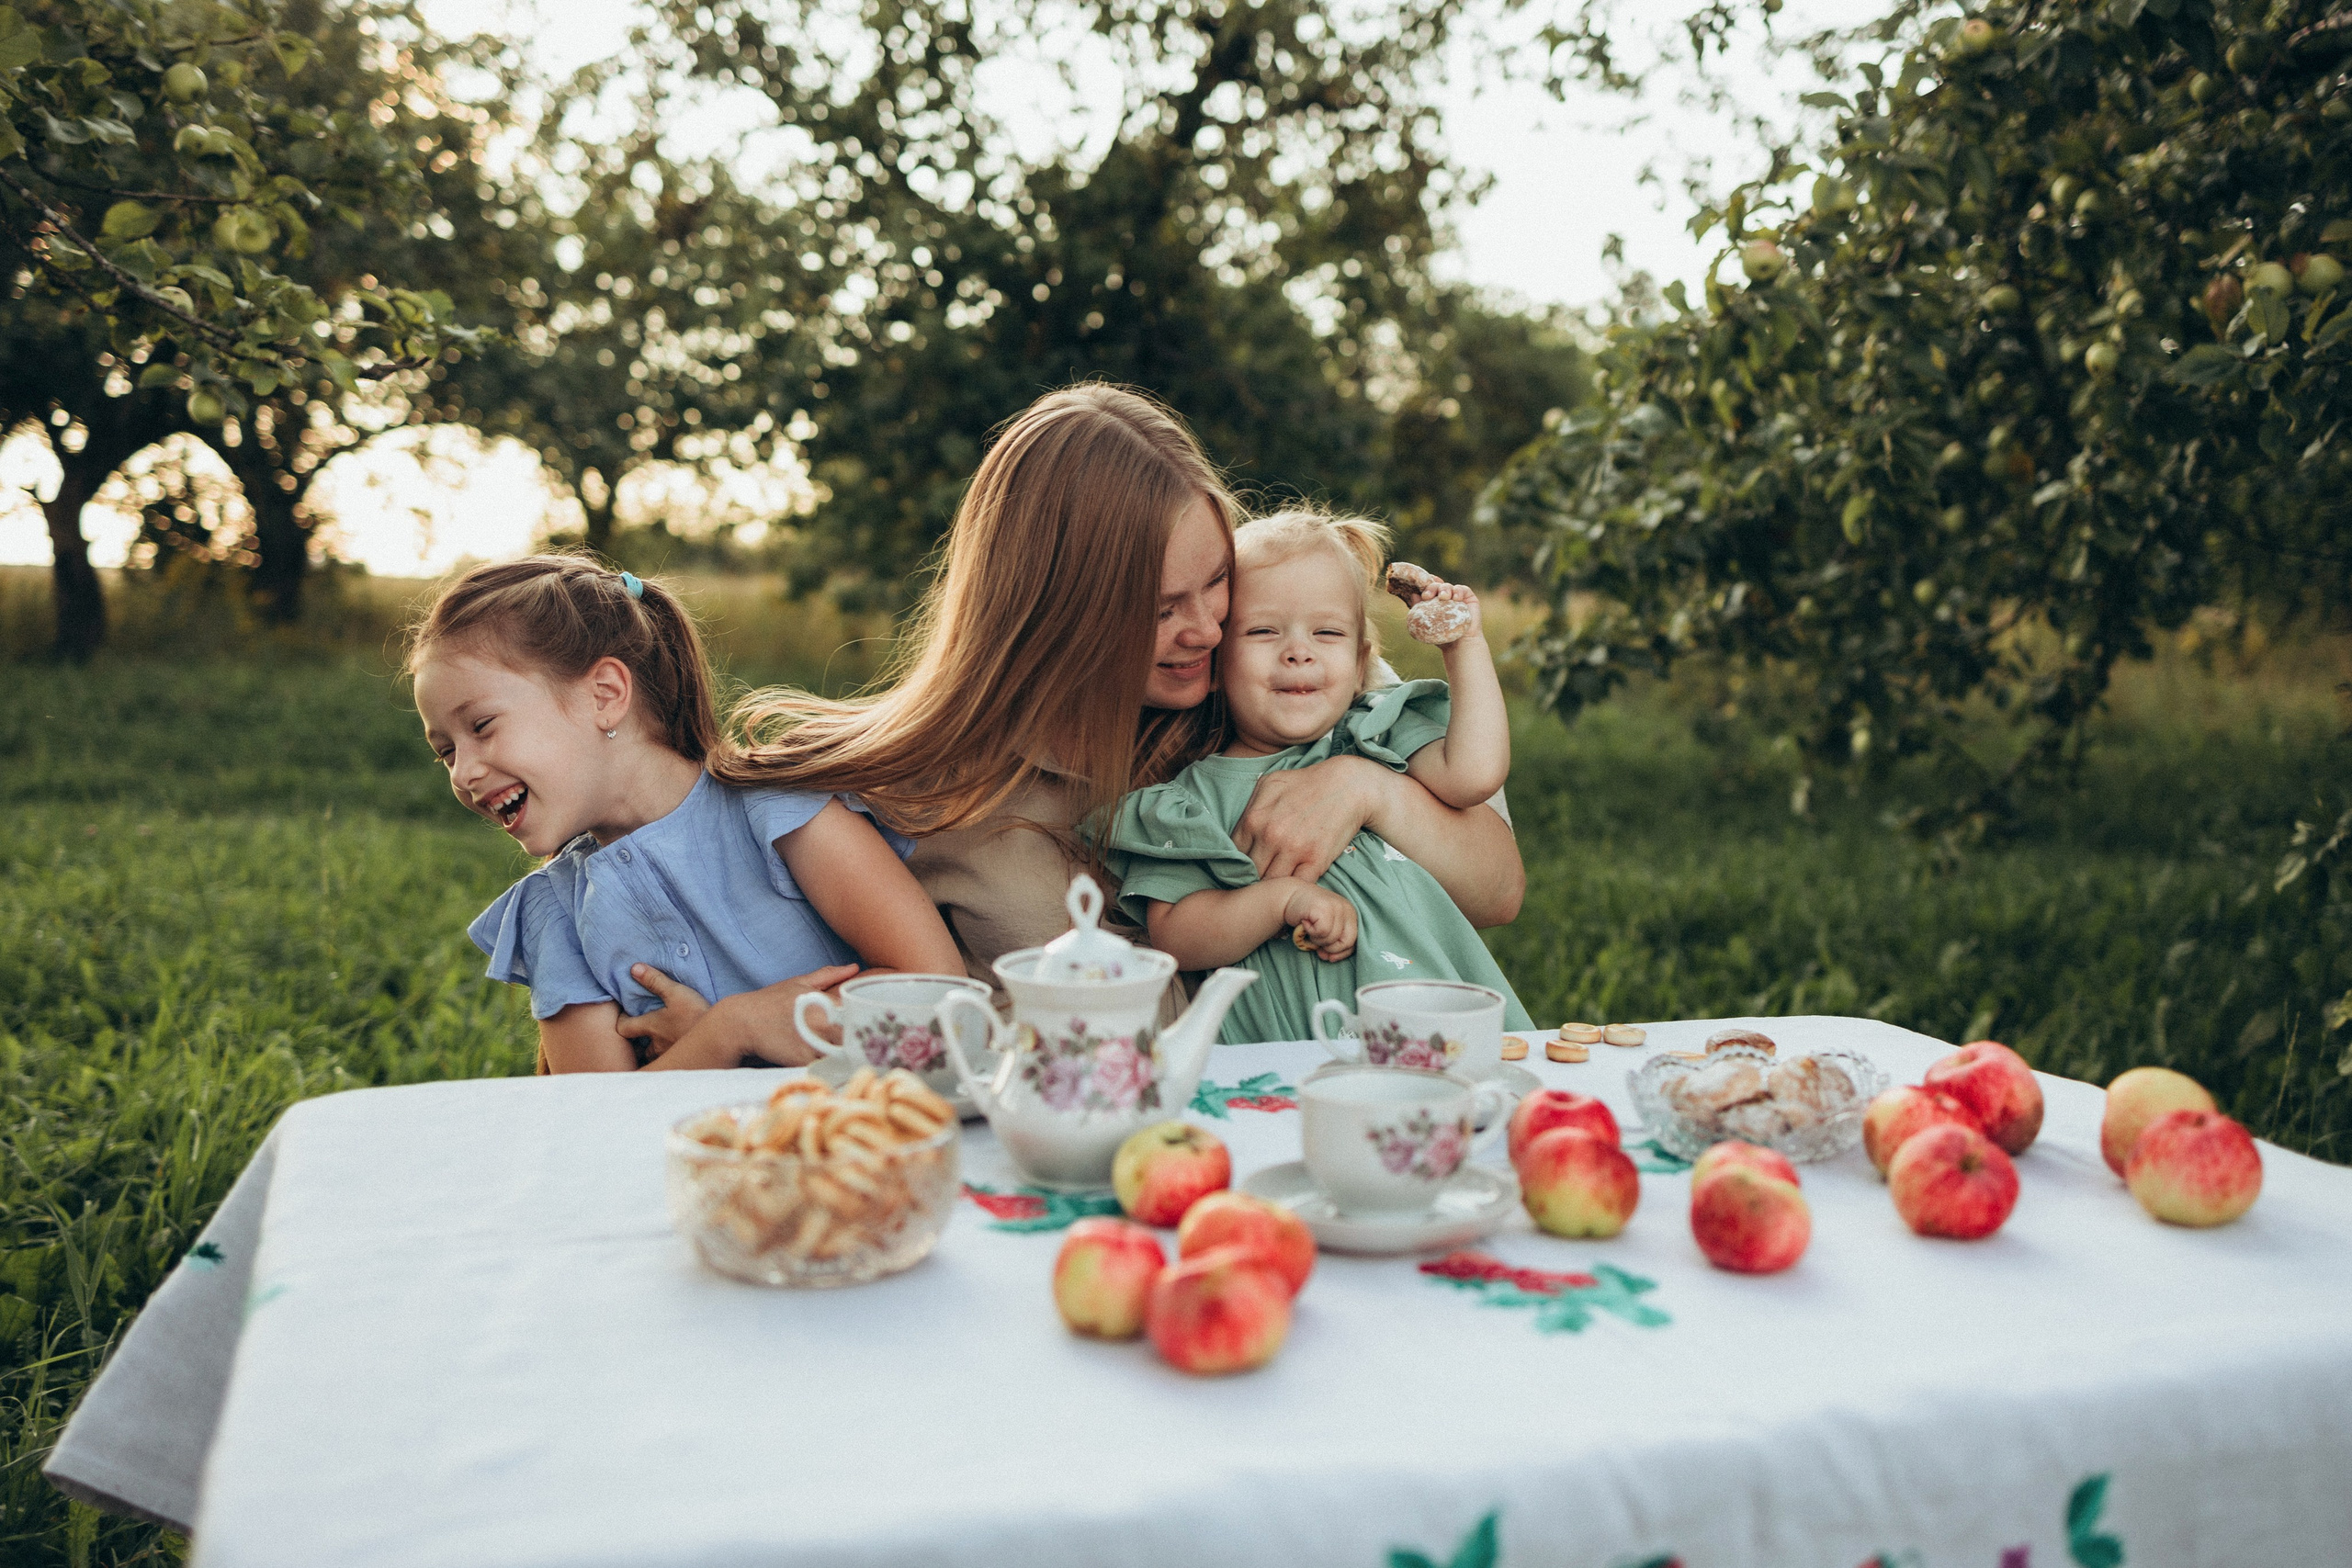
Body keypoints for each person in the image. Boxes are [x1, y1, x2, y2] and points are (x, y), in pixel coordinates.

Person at [409, 556, 963, 1073]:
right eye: (446, 751)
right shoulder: (553, 914)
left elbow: (935, 988)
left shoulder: (781, 812)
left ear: (604, 694)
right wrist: (725, 1036)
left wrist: (748, 1029)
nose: (462, 774)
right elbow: (596, 1123)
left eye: (481, 726)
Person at [1096, 509, 1533, 1043]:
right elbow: (1176, 935)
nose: (1298, 651)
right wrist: (1280, 902)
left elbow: (1474, 775)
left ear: (1358, 664)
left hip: (1427, 1019)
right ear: (1216, 666)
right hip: (1292, 1044)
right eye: (1262, 631)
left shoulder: (1376, 734)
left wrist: (1463, 646)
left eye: (1326, 632)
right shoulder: (1191, 799)